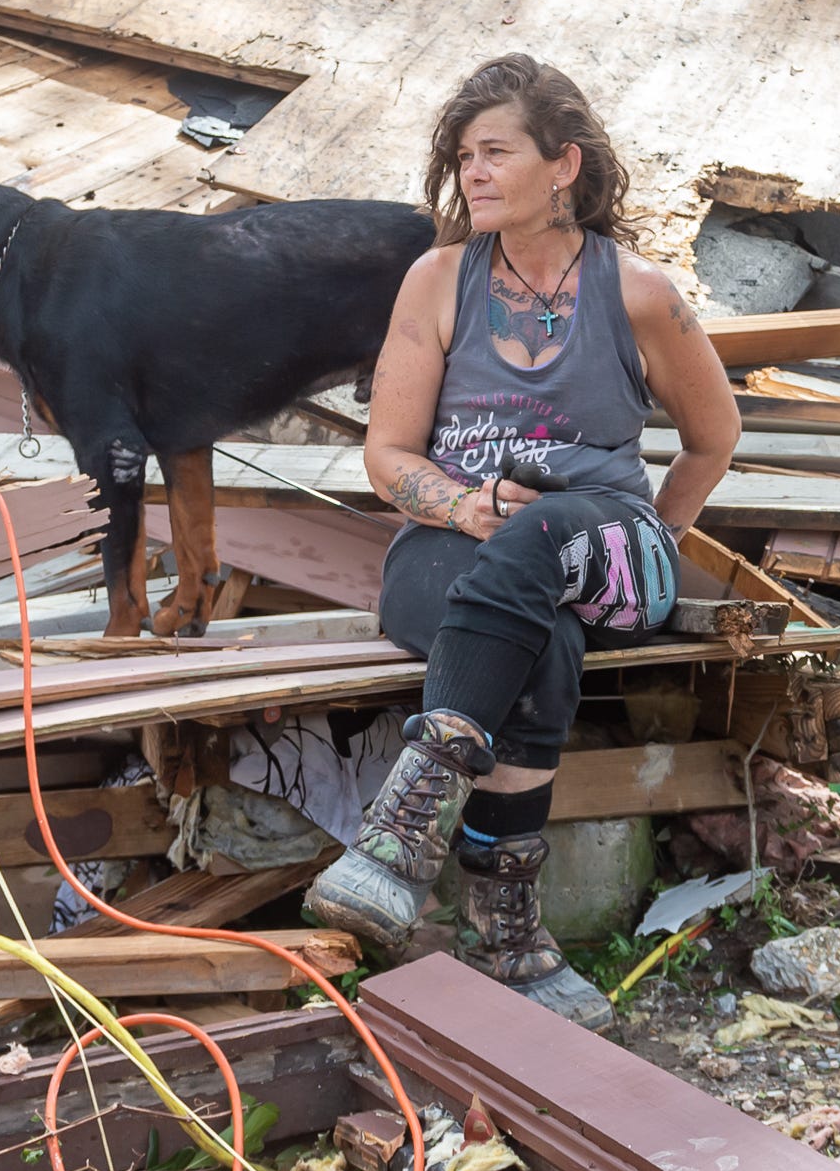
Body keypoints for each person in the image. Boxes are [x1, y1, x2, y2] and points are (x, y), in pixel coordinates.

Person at [303, 54, 740, 1027]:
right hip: (459, 546)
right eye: (463, 156)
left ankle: (404, 827)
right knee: (535, 627)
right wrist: (458, 507)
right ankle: (507, 934)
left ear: (563, 164)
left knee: (550, 526)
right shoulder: (436, 281)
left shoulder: (640, 293)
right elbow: (388, 452)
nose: (474, 172)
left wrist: (650, 536)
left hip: (606, 551)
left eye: (496, 151)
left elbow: (715, 437)